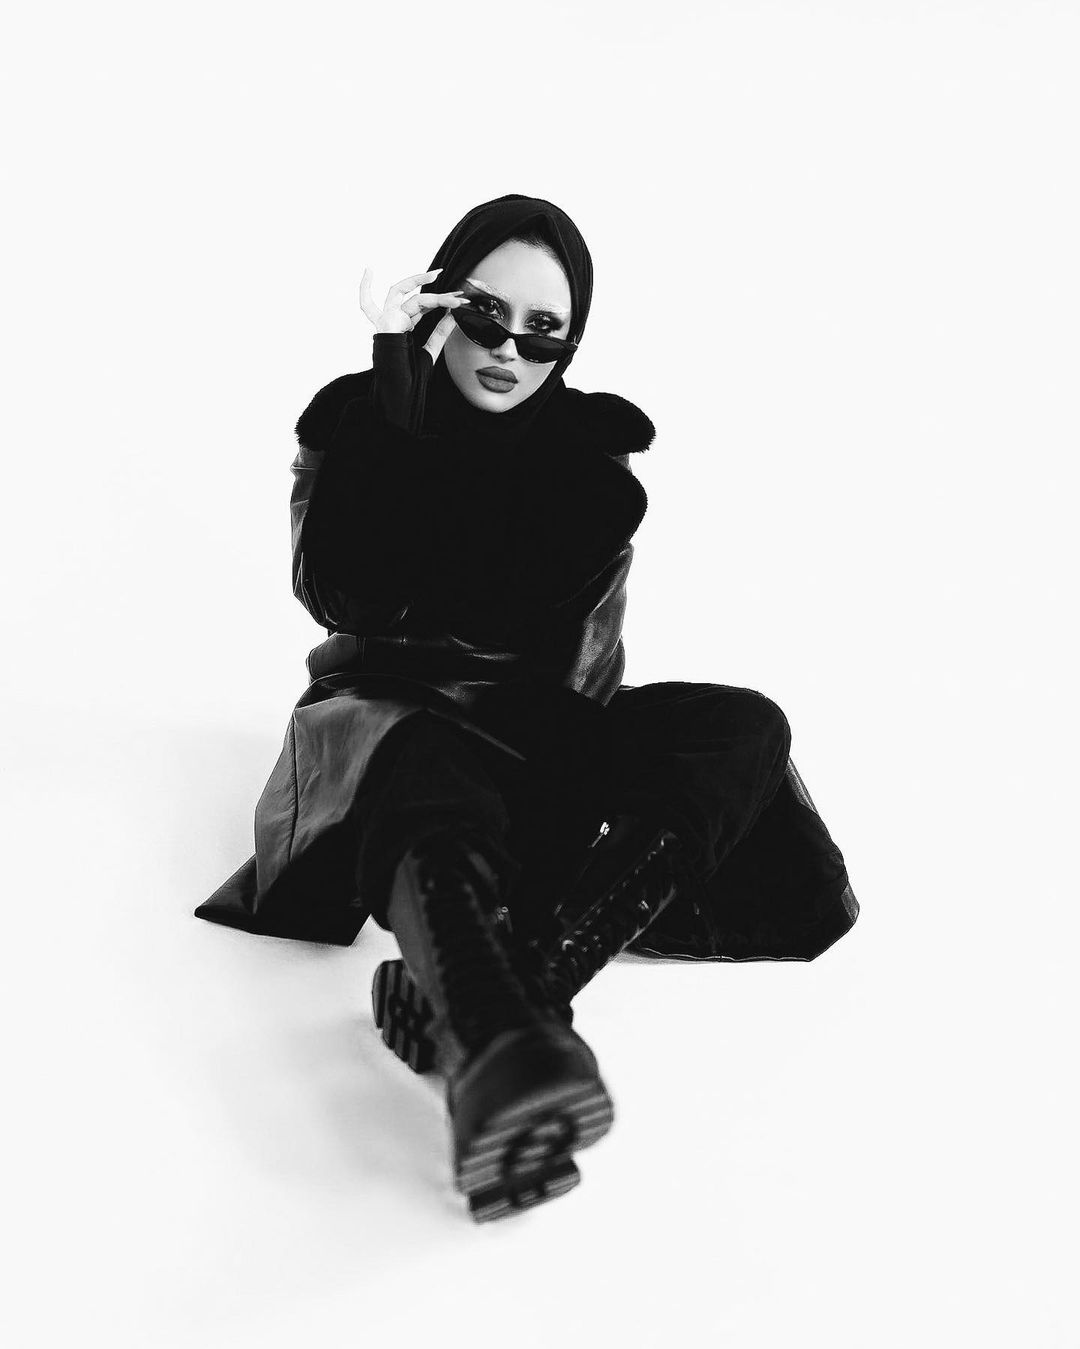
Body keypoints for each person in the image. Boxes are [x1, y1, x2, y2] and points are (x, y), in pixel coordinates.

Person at [196, 193, 859, 1223]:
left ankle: (511, 1010)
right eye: (483, 313)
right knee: (422, 750)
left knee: (743, 726)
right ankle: (502, 1040)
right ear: (438, 306)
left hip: (535, 737)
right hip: (388, 733)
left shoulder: (587, 459)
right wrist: (398, 400)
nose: (508, 349)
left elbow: (513, 606)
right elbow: (352, 597)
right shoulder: (361, 420)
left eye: (544, 331)